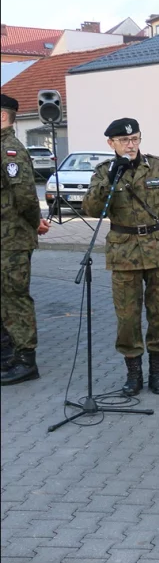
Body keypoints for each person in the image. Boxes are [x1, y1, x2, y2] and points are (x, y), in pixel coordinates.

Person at [82, 118, 159, 395]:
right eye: (124, 141)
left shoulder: (156, 166)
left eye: (135, 139)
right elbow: (92, 209)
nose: (131, 145)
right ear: (111, 144)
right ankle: (134, 375)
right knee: (128, 318)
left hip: (158, 250)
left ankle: (158, 373)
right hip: (124, 254)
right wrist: (110, 178)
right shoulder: (103, 172)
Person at [0, 94, 49, 386]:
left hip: (13, 240)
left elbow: (26, 197)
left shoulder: (10, 151)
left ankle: (25, 360)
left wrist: (35, 224)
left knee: (15, 298)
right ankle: (10, 353)